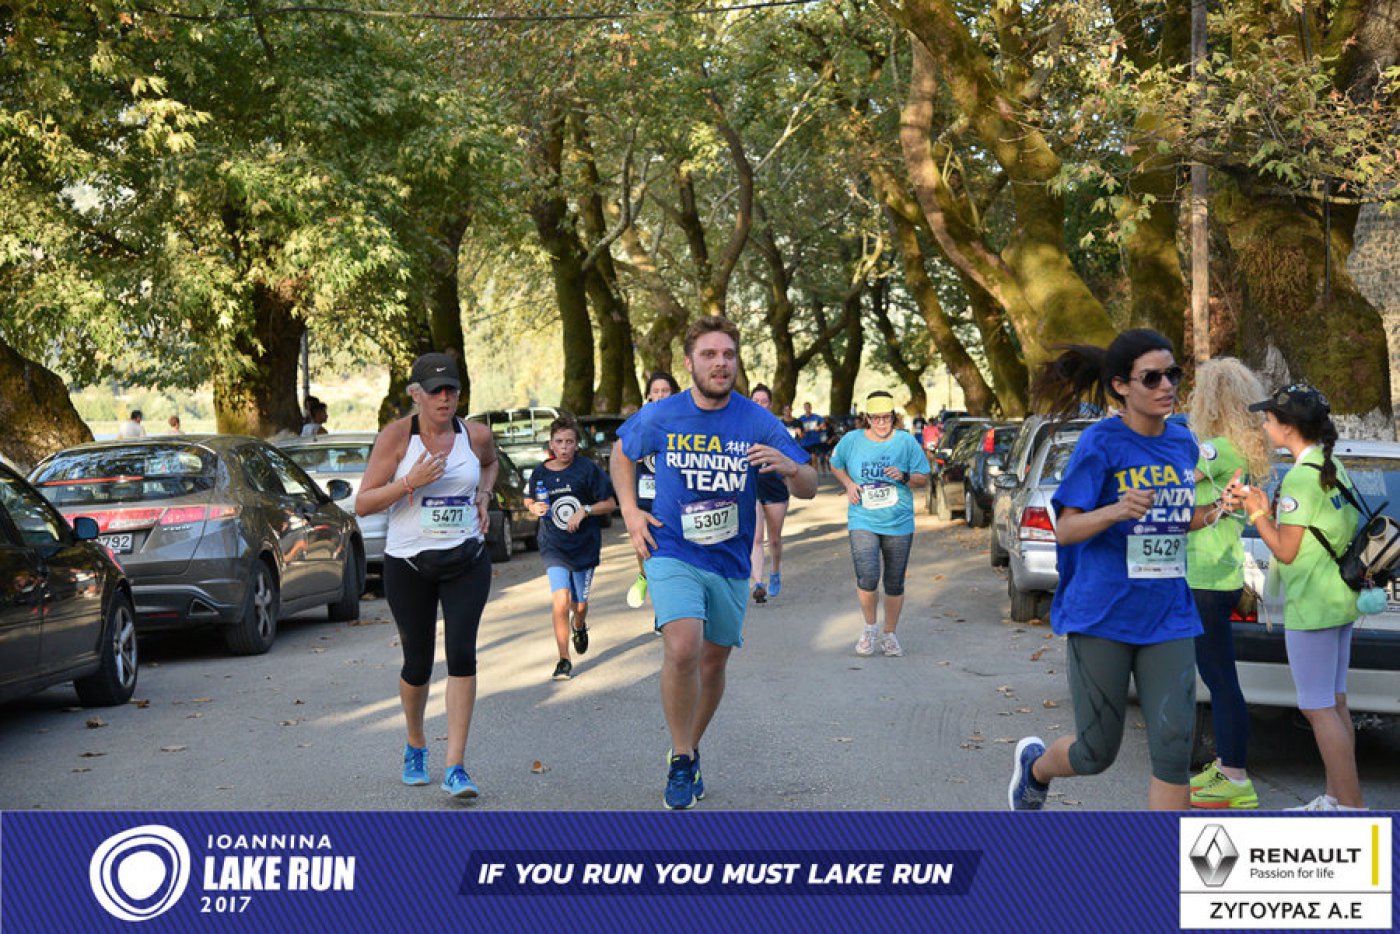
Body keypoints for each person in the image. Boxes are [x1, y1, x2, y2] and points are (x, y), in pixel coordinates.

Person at [612, 316, 816, 810]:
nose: (720, 363)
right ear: (690, 363)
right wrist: (631, 513)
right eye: (709, 355)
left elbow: (809, 484)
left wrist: (792, 468)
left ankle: (690, 746)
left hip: (729, 560)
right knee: (684, 648)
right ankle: (681, 759)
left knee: (714, 660)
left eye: (728, 354)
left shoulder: (756, 420)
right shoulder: (663, 414)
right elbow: (621, 453)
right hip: (672, 551)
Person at [1008, 329, 1212, 811]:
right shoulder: (1100, 443)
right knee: (1096, 752)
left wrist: (1218, 511)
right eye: (1152, 378)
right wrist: (1117, 510)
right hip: (1103, 613)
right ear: (1121, 386)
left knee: (1174, 750)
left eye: (1173, 374)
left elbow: (1175, 518)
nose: (1167, 385)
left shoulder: (1183, 441)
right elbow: (1066, 529)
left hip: (1168, 612)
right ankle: (1035, 769)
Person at [355, 352, 497, 800]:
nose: (444, 398)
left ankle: (455, 765)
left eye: (451, 389)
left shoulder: (476, 435)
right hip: (409, 564)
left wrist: (484, 496)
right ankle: (416, 743)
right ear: (416, 394)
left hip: (467, 559)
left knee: (462, 654)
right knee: (417, 664)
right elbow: (363, 503)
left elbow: (490, 463)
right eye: (435, 391)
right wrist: (409, 482)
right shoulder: (397, 438)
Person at [1234, 383, 1366, 811]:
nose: (1265, 424)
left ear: (1288, 427)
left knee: (1317, 708)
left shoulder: (1299, 478)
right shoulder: (1331, 466)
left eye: (1269, 418)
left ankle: (1351, 807)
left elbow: (1286, 550)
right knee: (1335, 702)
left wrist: (1257, 512)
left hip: (1312, 604)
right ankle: (1337, 798)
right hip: (1338, 599)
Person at [1184, 358, 1271, 809]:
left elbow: (1176, 477)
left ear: (1211, 401)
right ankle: (1225, 766)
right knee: (1219, 676)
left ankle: (1235, 776)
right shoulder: (1242, 449)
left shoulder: (1217, 448)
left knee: (1220, 679)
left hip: (1205, 576)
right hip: (1220, 574)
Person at [830, 390, 931, 657]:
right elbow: (835, 464)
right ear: (867, 418)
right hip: (862, 517)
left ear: (894, 417)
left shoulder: (905, 442)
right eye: (876, 418)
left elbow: (923, 477)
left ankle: (889, 634)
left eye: (887, 418)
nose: (882, 423)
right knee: (868, 575)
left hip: (898, 521)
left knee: (894, 581)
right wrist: (849, 484)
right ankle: (870, 628)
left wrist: (904, 476)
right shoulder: (852, 440)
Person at [525, 415, 618, 681]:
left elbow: (610, 503)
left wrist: (585, 510)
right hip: (553, 546)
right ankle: (563, 660)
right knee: (561, 600)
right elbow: (528, 498)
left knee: (579, 605)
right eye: (559, 442)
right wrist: (533, 507)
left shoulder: (587, 469)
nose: (564, 447)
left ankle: (579, 625)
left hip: (584, 547)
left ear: (577, 444)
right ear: (551, 444)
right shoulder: (541, 472)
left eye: (569, 442)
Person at [626, 372, 682, 610]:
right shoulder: (640, 421)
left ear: (674, 394)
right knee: (644, 545)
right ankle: (643, 575)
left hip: (674, 495)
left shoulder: (683, 421)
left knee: (669, 555)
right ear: (649, 395)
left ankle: (665, 610)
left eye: (665, 391)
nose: (660, 396)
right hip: (646, 492)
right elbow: (625, 453)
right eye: (655, 391)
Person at [747, 384, 791, 603]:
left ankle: (774, 572)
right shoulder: (743, 428)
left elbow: (791, 458)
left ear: (770, 405)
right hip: (753, 489)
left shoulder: (777, 429)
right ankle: (758, 583)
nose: (760, 405)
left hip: (775, 489)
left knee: (774, 540)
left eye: (763, 401)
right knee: (756, 538)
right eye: (755, 401)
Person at [798, 402, 827, 475]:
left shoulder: (816, 417)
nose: (807, 409)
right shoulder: (801, 418)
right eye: (805, 407)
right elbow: (797, 427)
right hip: (804, 442)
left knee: (814, 458)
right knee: (808, 460)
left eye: (808, 407)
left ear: (810, 408)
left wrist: (819, 427)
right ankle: (809, 474)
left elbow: (823, 423)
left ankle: (815, 474)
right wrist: (802, 431)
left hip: (814, 441)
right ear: (804, 408)